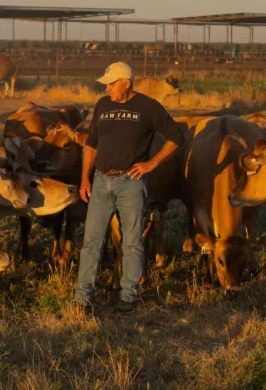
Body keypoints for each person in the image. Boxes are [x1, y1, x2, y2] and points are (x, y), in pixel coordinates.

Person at [74, 62, 185, 313]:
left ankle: (128, 297)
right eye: (106, 84)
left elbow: (177, 137)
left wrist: (152, 163)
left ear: (126, 82)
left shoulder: (148, 106)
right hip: (101, 182)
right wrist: (85, 178)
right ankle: (82, 298)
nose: (108, 88)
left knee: (132, 242)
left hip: (131, 184)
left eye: (112, 84)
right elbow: (91, 143)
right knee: (91, 240)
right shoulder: (102, 105)